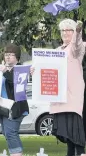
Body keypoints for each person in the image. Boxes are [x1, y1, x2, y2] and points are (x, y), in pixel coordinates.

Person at [32, 19, 85, 156]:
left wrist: (78, 32)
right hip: (59, 98)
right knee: (67, 135)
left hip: (73, 96)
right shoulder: (56, 51)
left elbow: (76, 44)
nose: (65, 33)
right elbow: (46, 68)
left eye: (68, 30)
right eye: (63, 30)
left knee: (75, 131)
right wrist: (35, 70)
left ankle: (80, 153)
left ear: (74, 32)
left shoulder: (78, 48)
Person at [0, 44, 29, 156]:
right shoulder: (3, 70)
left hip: (15, 108)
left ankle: (16, 154)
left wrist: (5, 72)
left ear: (17, 57)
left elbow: (17, 85)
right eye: (6, 54)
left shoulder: (21, 69)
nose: (7, 57)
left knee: (11, 133)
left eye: (11, 55)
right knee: (7, 133)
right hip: (3, 107)